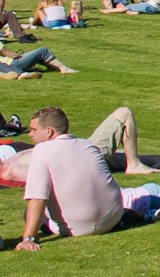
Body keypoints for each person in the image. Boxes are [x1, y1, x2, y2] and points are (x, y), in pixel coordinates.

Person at [14, 107, 125, 250]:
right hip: (113, 217)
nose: (30, 134)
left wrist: (28, 238)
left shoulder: (42, 151)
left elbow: (37, 198)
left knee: (28, 214)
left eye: (34, 130)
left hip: (80, 226)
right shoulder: (87, 145)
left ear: (49, 131)